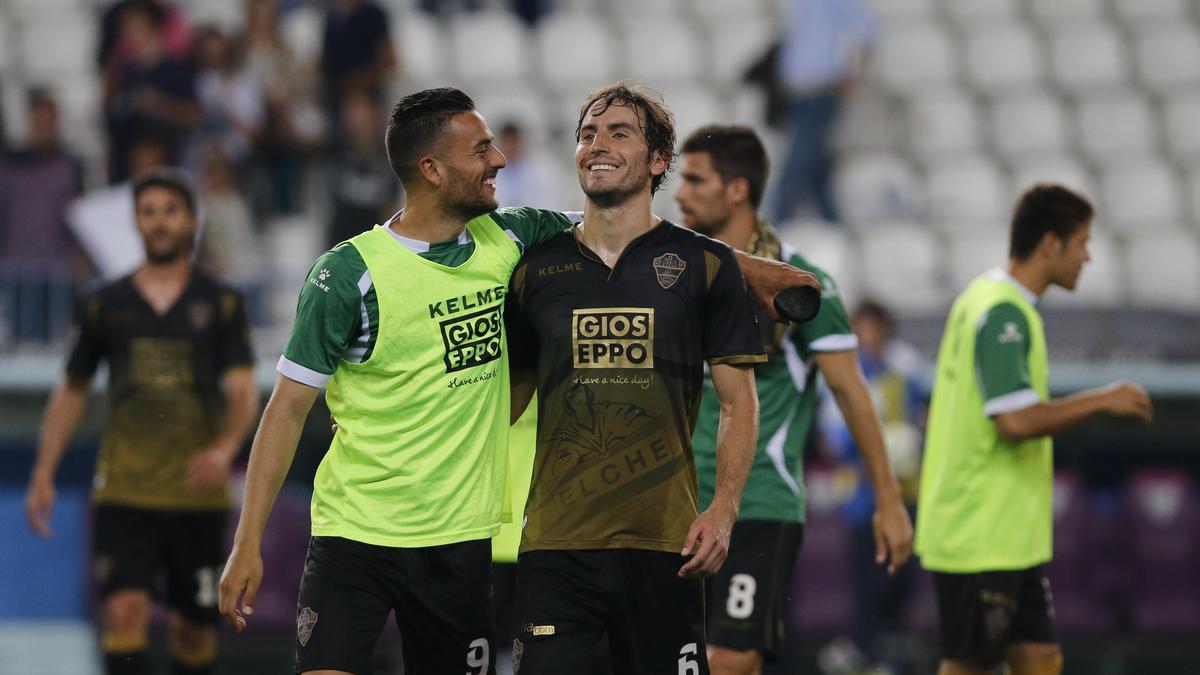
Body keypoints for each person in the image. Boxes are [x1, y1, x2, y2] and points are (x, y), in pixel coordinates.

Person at [217, 86, 817, 675]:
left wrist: (762, 273)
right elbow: (287, 410)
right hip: (357, 531)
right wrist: (247, 543)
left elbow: (638, 236)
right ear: (431, 168)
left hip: (461, 539)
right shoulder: (350, 274)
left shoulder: (511, 238)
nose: (500, 160)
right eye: (481, 150)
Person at [505, 83, 771, 674]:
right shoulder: (535, 269)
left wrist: (723, 509)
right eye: (587, 134)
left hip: (666, 545)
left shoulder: (707, 266)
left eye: (618, 132)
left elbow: (738, 403)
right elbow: (505, 401)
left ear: (657, 162)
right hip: (556, 544)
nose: (596, 145)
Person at [672, 124, 913, 675]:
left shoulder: (803, 286)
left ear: (736, 190)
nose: (679, 192)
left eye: (694, 179)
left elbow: (852, 392)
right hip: (677, 503)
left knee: (730, 657)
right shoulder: (674, 272)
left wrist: (888, 499)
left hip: (758, 502)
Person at [25, 169, 259, 675]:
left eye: (170, 211)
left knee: (193, 628)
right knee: (122, 611)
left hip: (195, 498)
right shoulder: (104, 303)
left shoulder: (221, 303)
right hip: (124, 491)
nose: (159, 222)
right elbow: (71, 389)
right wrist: (44, 470)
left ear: (191, 222)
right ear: (136, 222)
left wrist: (223, 449)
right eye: (148, 212)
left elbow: (243, 391)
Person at [915, 184, 1153, 675]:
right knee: (969, 666)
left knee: (1040, 659)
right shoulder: (1005, 313)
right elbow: (1015, 420)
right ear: (1050, 244)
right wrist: (1101, 400)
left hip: (1006, 534)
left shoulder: (987, 295)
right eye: (1082, 242)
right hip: (980, 531)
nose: (1087, 257)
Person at [817, 299, 925, 675]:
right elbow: (831, 440)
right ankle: (866, 650)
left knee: (901, 577)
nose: (870, 336)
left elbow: (922, 418)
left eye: (875, 327)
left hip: (906, 493)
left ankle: (887, 648)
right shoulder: (842, 374)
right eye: (863, 328)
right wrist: (868, 452)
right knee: (869, 579)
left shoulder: (904, 370)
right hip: (862, 500)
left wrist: (909, 443)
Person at [765, 0, 878, 224]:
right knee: (816, 166)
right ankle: (832, 220)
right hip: (796, 94)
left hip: (821, 90)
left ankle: (774, 221)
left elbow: (867, 30)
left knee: (797, 162)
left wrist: (851, 77)